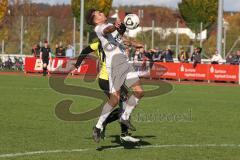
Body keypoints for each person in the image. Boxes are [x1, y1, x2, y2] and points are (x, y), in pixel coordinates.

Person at [86, 9, 144, 143]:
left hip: (124, 63)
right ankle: (98, 126)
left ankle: (125, 118)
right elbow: (109, 29)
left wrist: (130, 39)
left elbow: (119, 37)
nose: (102, 14)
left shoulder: (109, 28)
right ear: (95, 21)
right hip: (115, 65)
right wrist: (116, 26)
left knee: (139, 92)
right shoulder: (100, 28)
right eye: (99, 14)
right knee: (115, 100)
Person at [71, 40, 140, 143]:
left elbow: (85, 50)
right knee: (123, 103)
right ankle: (104, 125)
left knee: (125, 105)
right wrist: (77, 65)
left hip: (116, 79)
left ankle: (122, 133)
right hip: (106, 79)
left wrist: (77, 65)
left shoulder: (101, 43)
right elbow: (85, 50)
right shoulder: (104, 43)